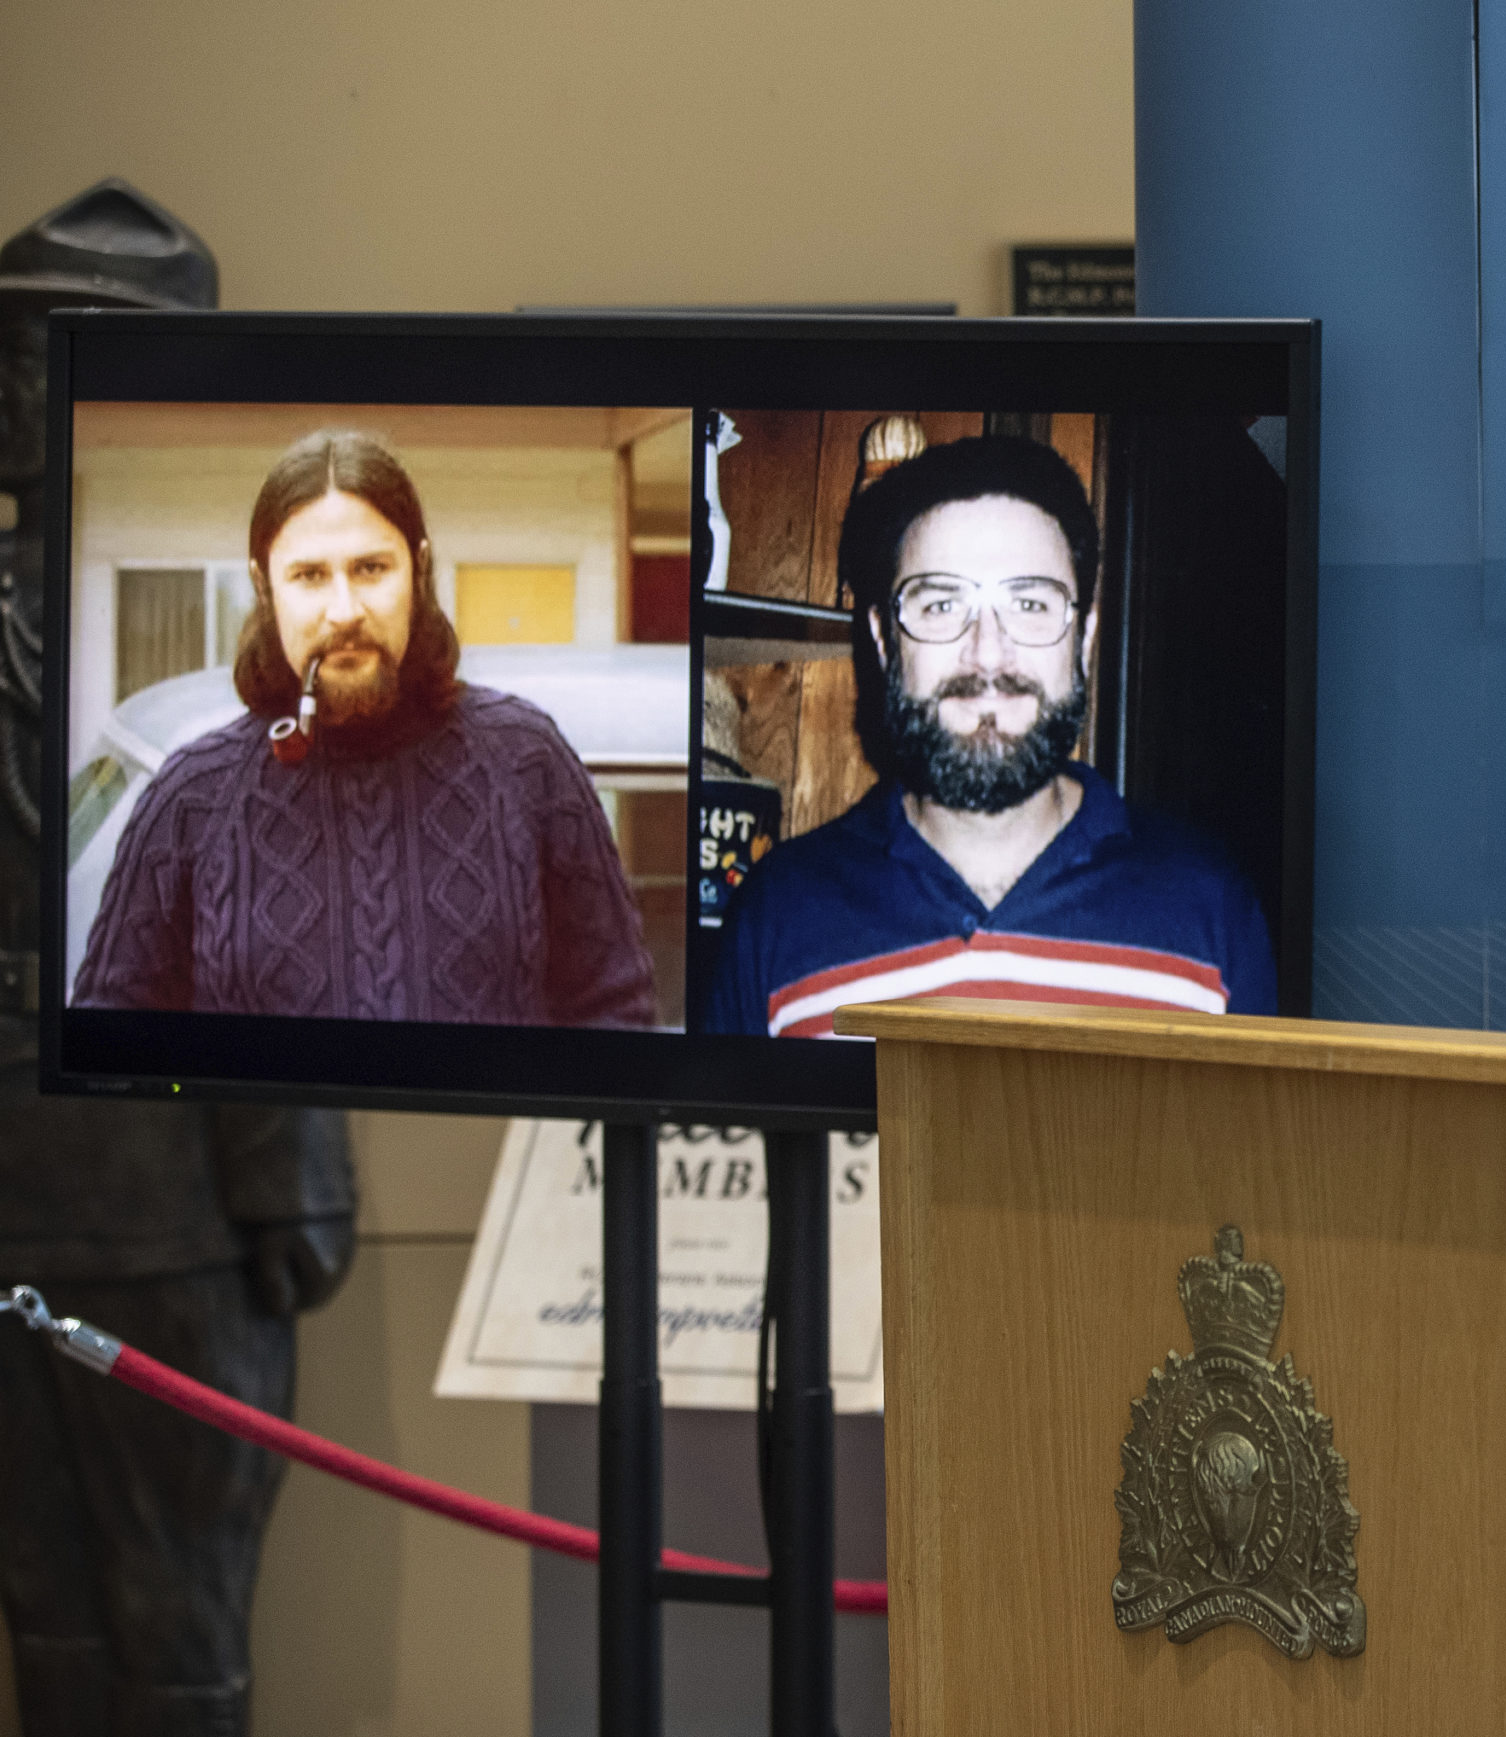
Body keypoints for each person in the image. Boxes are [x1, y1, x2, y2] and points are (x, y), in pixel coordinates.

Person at [1, 179, 356, 1737]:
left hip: (181, 1188)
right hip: (71, 1191)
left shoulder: (248, 633)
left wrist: (293, 1168)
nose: (31, 385)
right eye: (18, 348)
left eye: (68, 351)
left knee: (175, 1613)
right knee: (57, 1612)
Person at [72, 430, 656, 1026]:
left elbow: (616, 1010)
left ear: (419, 570)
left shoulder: (529, 761)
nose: (345, 610)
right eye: (309, 576)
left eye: (371, 568)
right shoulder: (190, 797)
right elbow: (108, 1044)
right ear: (263, 587)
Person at [708, 434, 1276, 1035]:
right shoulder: (777, 915)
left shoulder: (1213, 912)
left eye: (1030, 605)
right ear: (883, 642)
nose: (986, 654)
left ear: (1083, 638)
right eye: (941, 605)